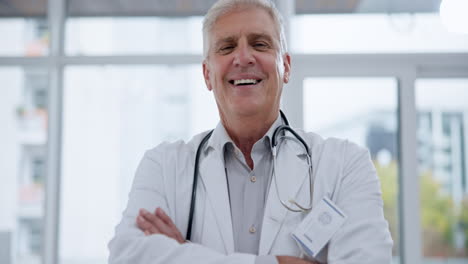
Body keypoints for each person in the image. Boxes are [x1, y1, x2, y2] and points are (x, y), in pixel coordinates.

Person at [108, 0, 393, 263]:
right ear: (207, 74)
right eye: (227, 47)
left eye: (259, 44)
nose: (243, 58)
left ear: (286, 66)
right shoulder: (163, 165)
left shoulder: (345, 165)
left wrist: (184, 253)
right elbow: (127, 256)